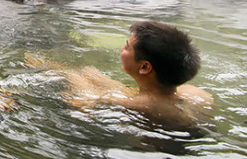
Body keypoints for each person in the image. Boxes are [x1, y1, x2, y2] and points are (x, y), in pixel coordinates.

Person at [29, 20, 213, 127]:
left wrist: (70, 77)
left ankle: (43, 64)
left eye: (126, 47)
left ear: (144, 67)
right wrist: (90, 77)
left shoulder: (131, 105)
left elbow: (78, 103)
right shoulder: (197, 94)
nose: (122, 49)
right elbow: (147, 99)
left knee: (76, 76)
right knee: (89, 72)